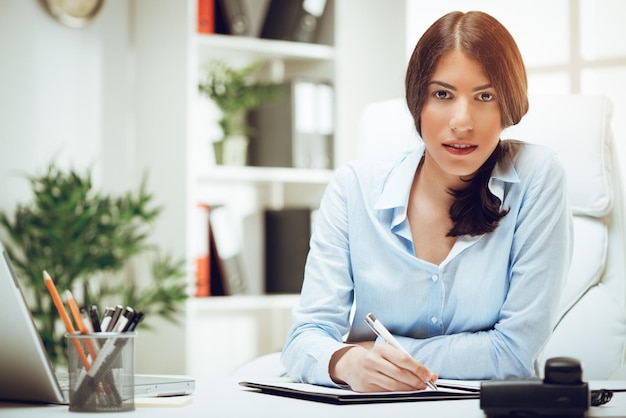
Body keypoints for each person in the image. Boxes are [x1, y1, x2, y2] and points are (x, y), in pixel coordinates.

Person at [280, 10, 572, 393]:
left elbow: (514, 352)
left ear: (509, 105)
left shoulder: (537, 176)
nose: (462, 121)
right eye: (442, 94)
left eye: (485, 96)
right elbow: (304, 338)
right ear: (418, 101)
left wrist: (378, 351)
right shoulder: (355, 188)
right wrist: (348, 362)